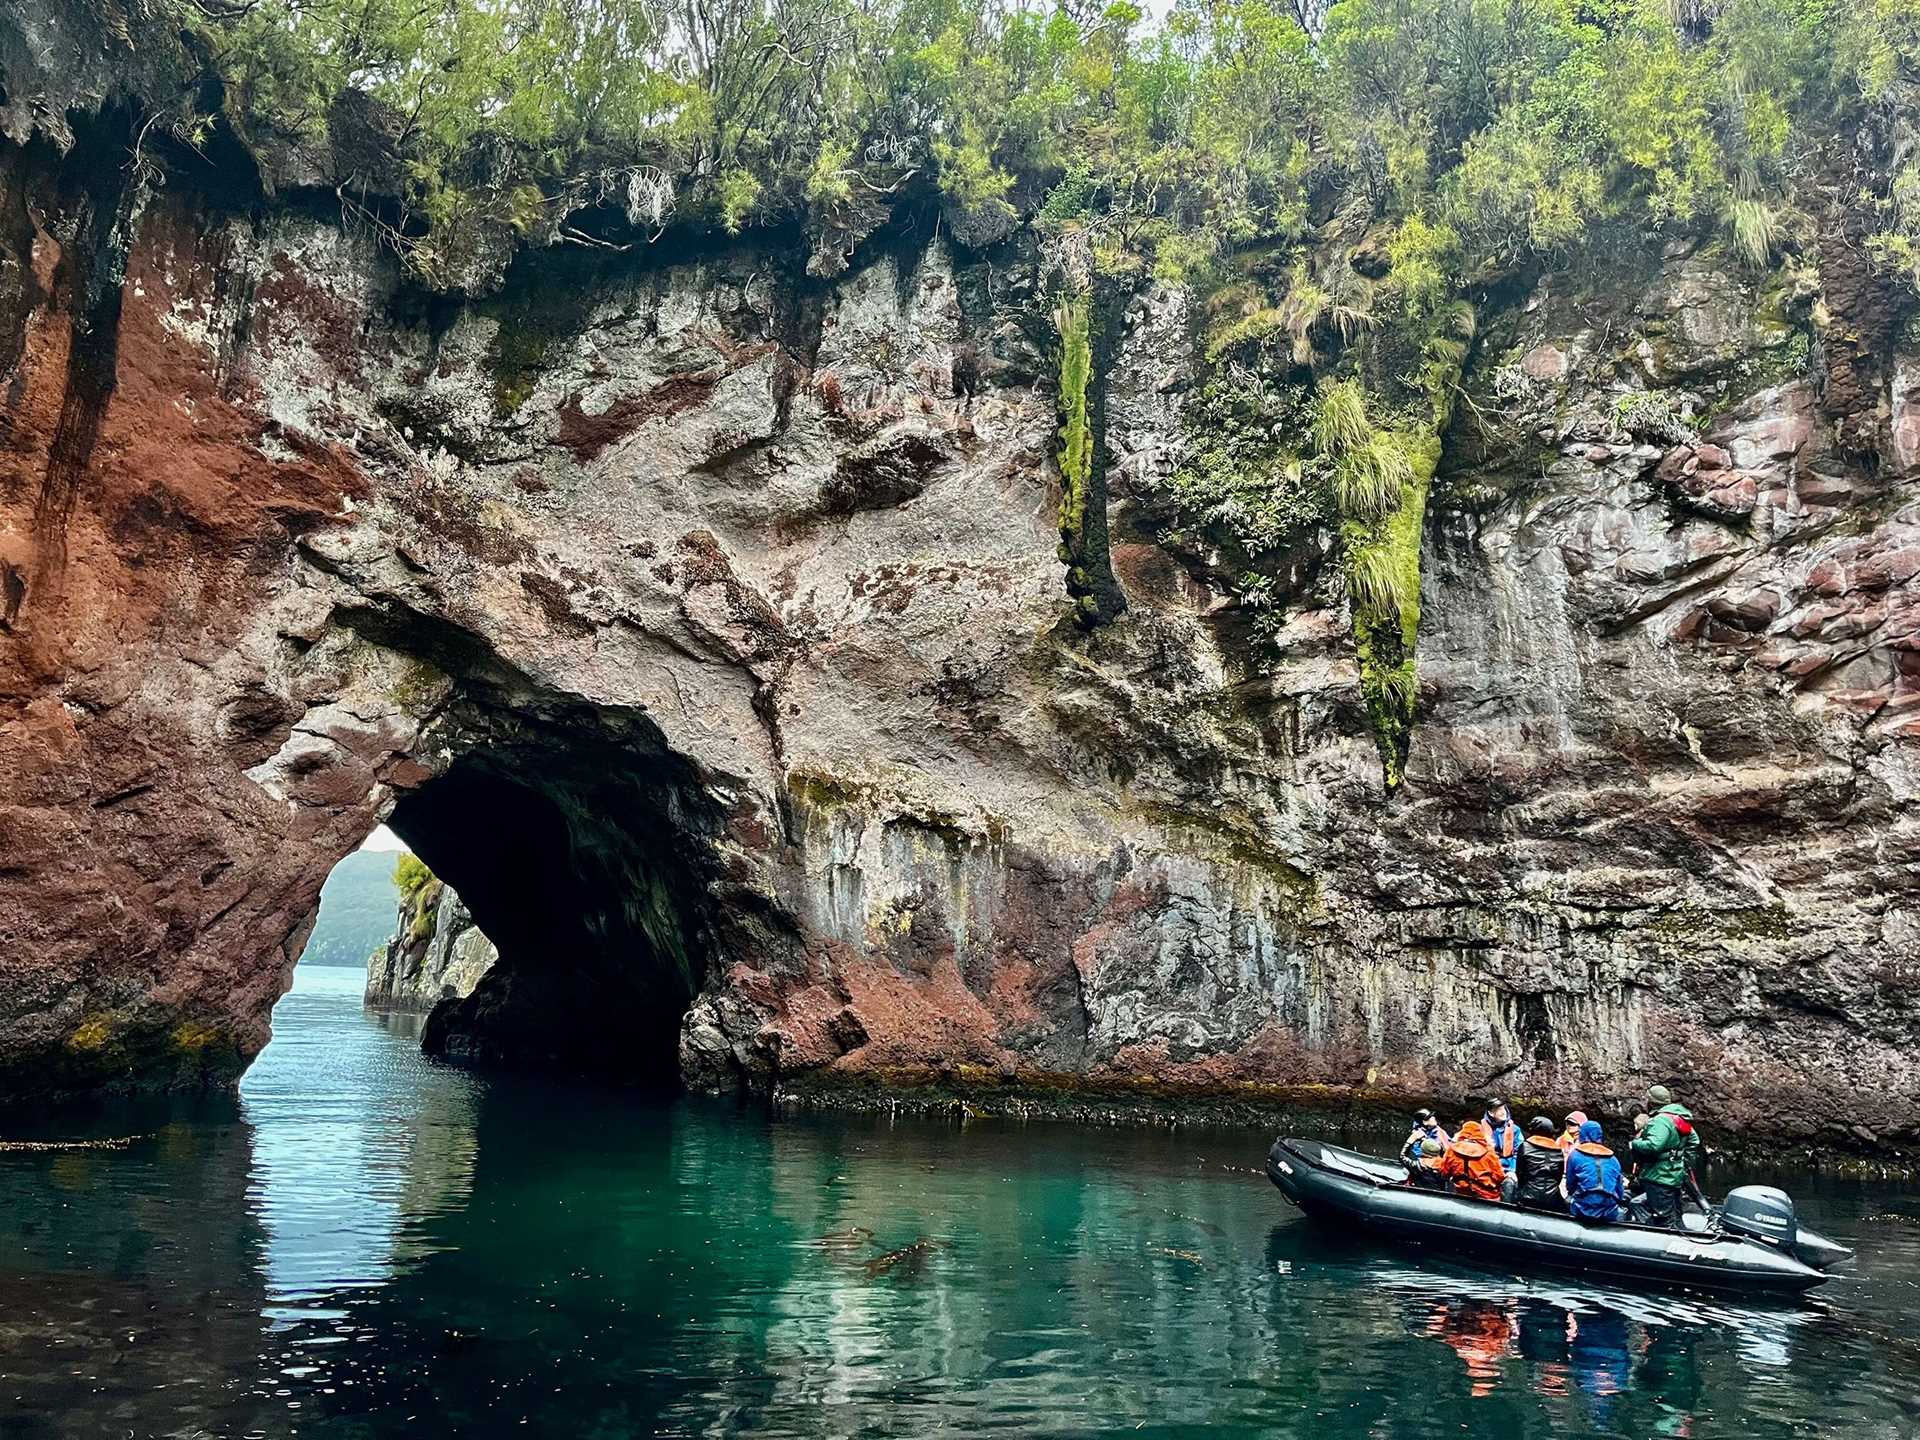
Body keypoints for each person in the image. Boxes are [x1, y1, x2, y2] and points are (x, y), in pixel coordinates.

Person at [1629, 1085, 1702, 1228]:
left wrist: (1635, 1143)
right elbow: (1694, 1141)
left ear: (1651, 1102)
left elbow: (1653, 1145)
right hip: (1674, 1174)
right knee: (1675, 1212)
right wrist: (1678, 1157)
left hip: (1658, 1176)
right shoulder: (1679, 1118)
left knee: (1663, 1217)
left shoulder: (1660, 1120)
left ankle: (1661, 1237)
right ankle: (1681, 1232)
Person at [1562, 1120, 1627, 1222]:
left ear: (1582, 1134)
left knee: (1566, 1200)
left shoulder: (1575, 1155)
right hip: (1609, 1210)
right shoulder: (1613, 1159)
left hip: (1582, 1208)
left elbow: (1570, 1186)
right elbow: (1620, 1191)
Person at [1439, 1119, 1508, 1202]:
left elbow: (1444, 1172)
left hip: (1460, 1193)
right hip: (1487, 1196)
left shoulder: (1452, 1150)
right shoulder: (1489, 1152)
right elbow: (1499, 1177)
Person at [1515, 1116, 1568, 1212]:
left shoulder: (1525, 1146)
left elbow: (1519, 1172)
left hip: (1527, 1197)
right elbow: (1558, 1177)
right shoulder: (1558, 1150)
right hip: (1552, 1198)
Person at [1483, 1098, 1521, 1175]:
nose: (1503, 1112)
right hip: (1487, 1167)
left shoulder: (1515, 1129)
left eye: (1504, 1108)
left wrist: (1512, 1170)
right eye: (1499, 1110)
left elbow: (1519, 1151)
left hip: (1509, 1167)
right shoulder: (1481, 1129)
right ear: (1491, 1113)